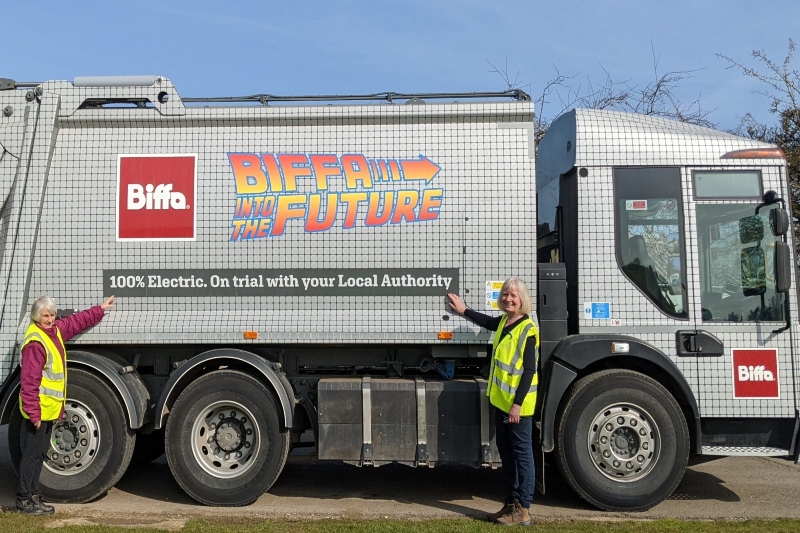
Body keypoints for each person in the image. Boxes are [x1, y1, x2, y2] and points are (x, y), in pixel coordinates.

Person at [447, 278, 538, 526]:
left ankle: (523, 509)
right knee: (507, 456)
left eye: (514, 295)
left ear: (522, 300)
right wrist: (464, 310)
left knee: (522, 455)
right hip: (502, 403)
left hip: (517, 406)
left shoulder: (527, 329)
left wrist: (517, 405)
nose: (509, 298)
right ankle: (510, 505)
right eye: (506, 294)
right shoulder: (505, 323)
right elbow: (486, 322)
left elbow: (529, 371)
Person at [16, 294, 116, 515]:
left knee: (40, 454)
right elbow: (29, 382)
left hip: (48, 411)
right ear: (36, 316)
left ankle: (33, 497)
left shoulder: (53, 332)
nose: (50, 319)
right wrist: (34, 413)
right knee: (32, 456)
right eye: (45, 316)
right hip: (38, 413)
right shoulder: (36, 342)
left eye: (52, 315)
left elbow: (75, 322)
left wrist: (99, 309)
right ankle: (24, 500)